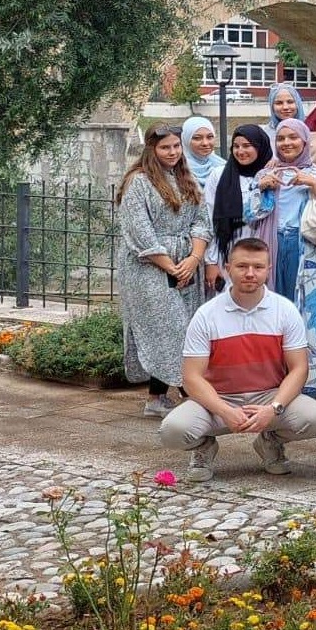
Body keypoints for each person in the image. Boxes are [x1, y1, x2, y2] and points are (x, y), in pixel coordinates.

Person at [159, 238, 316, 481]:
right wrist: (224, 411)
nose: (250, 273)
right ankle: (203, 447)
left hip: (269, 395)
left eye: (258, 267)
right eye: (242, 266)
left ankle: (269, 440)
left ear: (268, 270)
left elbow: (299, 369)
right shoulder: (206, 315)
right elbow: (191, 378)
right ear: (228, 268)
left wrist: (274, 409)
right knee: (172, 430)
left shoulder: (285, 310)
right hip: (218, 400)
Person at [117, 125, 212, 417]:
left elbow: (201, 221)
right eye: (164, 148)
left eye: (175, 146)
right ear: (152, 150)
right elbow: (140, 232)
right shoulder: (139, 182)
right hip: (150, 266)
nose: (172, 152)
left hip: (186, 262)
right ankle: (193, 396)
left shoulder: (187, 178)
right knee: (170, 328)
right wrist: (171, 267)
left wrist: (194, 259)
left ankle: (156, 398)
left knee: (182, 329)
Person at [248, 118, 316, 393]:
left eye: (293, 138)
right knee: (269, 311)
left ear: (305, 141)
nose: (287, 143)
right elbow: (250, 214)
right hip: (271, 249)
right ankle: (269, 378)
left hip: (307, 252)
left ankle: (308, 383)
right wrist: (263, 189)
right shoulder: (265, 175)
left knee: (307, 312)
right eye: (281, 139)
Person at [212, 125, 272, 280]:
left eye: (247, 146)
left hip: (264, 250)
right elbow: (210, 217)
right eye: (236, 146)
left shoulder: (271, 176)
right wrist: (210, 262)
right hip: (227, 250)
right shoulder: (219, 175)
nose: (240, 151)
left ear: (260, 147)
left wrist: (260, 188)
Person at [181, 117, 227, 292]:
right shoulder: (178, 170)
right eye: (197, 138)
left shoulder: (223, 168)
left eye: (210, 137)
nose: (205, 143)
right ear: (185, 140)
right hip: (187, 247)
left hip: (216, 246)